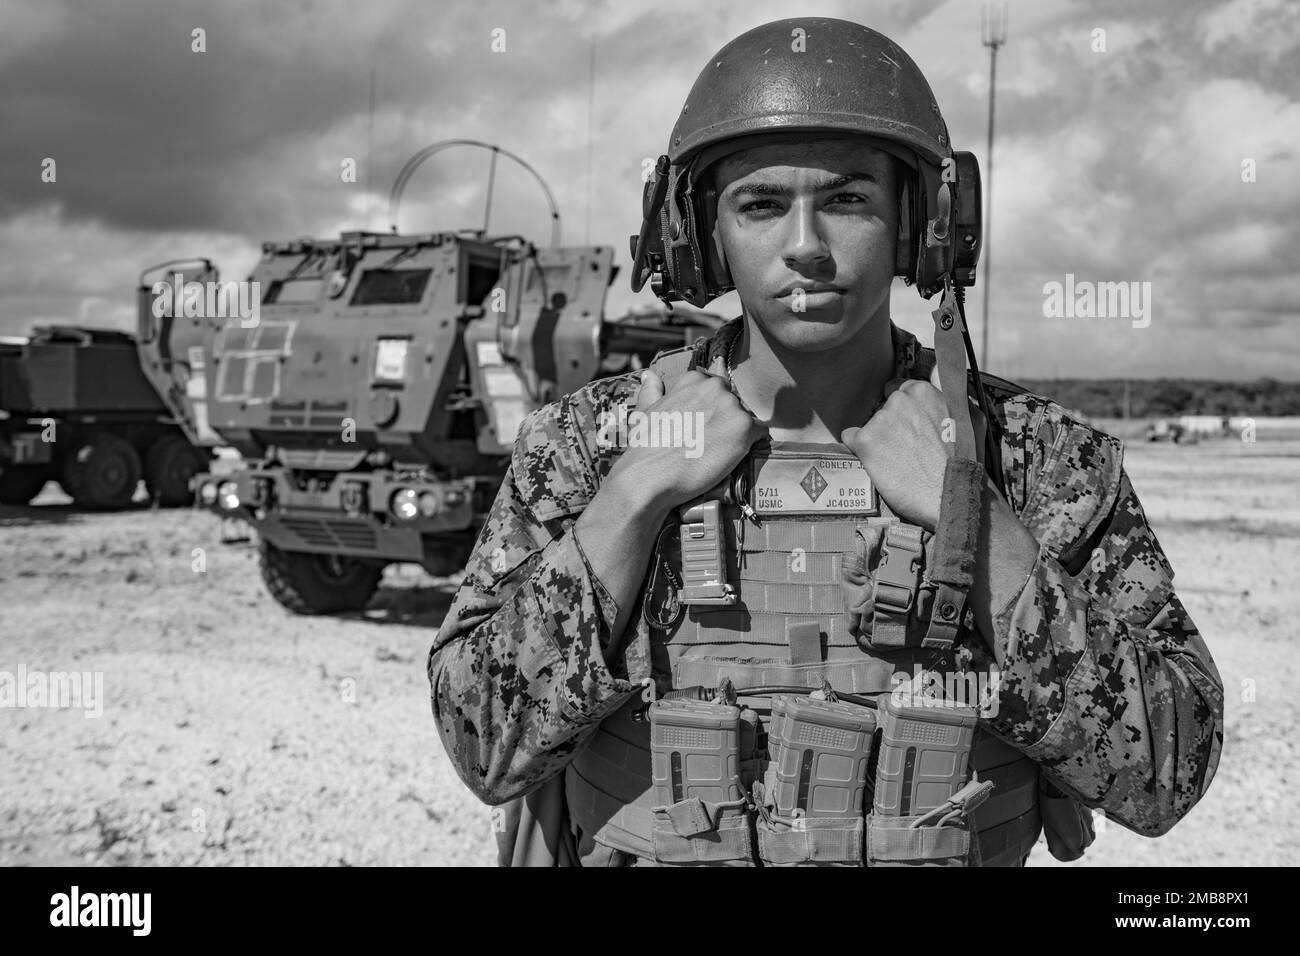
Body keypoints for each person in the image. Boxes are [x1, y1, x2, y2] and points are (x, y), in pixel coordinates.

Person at [426, 17, 1223, 867]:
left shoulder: (1034, 460)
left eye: (848, 199)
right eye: (761, 205)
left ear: (925, 224)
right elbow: (485, 746)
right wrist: (631, 497)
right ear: (698, 236)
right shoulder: (589, 446)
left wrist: (977, 527)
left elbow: (1168, 769)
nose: (805, 248)